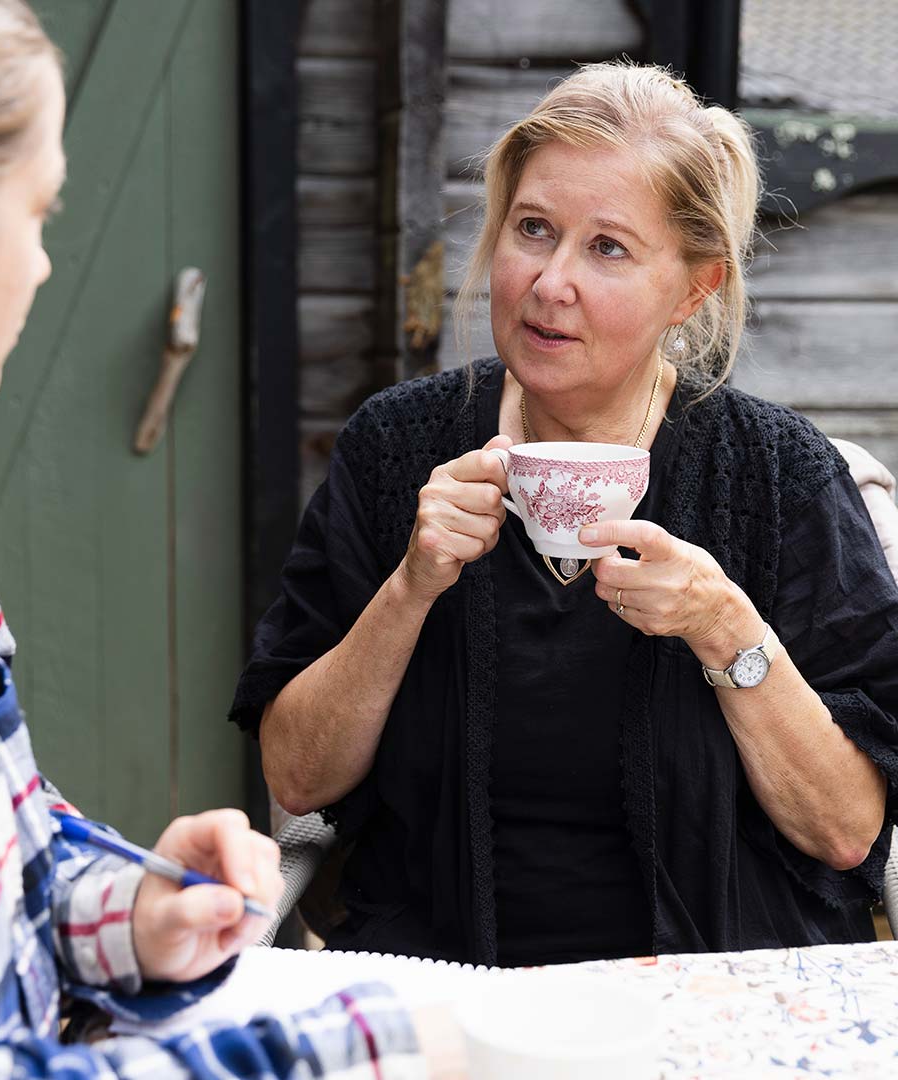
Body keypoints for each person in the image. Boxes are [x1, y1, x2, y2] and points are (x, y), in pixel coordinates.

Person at [0, 1, 461, 1075]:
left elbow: (2, 860)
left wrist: (126, 911)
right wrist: (380, 1048)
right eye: (38, 212)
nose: (42, 267)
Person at [232, 62, 898, 967]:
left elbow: (848, 833)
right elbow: (298, 776)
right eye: (533, 229)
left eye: (608, 248)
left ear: (693, 288)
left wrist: (726, 628)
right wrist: (410, 589)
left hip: (705, 995)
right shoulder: (396, 450)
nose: (550, 282)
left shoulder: (780, 478)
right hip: (443, 983)